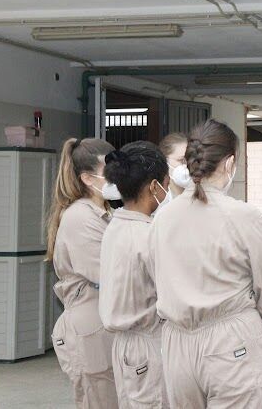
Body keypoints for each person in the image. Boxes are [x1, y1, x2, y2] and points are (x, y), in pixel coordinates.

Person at [150, 119, 262, 408]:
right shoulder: (244, 217)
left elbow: (156, 276)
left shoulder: (163, 217)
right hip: (229, 337)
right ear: (229, 163)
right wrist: (250, 325)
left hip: (176, 342)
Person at [46, 137, 119, 408]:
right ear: (88, 178)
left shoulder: (107, 212)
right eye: (110, 171)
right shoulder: (80, 217)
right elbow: (110, 274)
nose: (119, 176)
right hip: (92, 331)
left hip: (106, 325)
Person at [99, 141, 170, 408]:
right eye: (166, 182)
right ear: (154, 186)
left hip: (125, 345)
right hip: (147, 343)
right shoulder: (148, 234)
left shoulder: (115, 226)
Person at [158, 132, 190, 199]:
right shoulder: (159, 199)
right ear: (165, 160)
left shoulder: (199, 193)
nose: (186, 165)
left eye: (190, 159)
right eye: (181, 160)